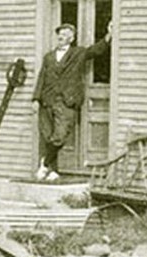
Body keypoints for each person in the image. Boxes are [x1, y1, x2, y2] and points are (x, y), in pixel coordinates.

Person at [30, 21, 111, 181]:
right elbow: (42, 77)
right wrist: (36, 99)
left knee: (59, 135)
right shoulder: (49, 57)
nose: (61, 36)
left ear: (72, 39)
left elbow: (97, 50)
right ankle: (53, 171)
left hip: (66, 102)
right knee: (47, 136)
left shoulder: (78, 53)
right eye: (60, 33)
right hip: (47, 101)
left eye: (65, 34)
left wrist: (109, 35)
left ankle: (44, 164)